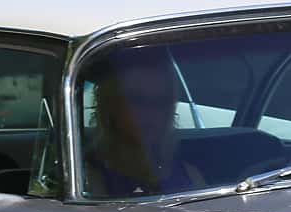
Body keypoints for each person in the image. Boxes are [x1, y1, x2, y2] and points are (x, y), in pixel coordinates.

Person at [83, 47, 205, 197]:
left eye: (160, 101)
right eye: (137, 100)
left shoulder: (189, 173)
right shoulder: (88, 178)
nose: (150, 111)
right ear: (111, 105)